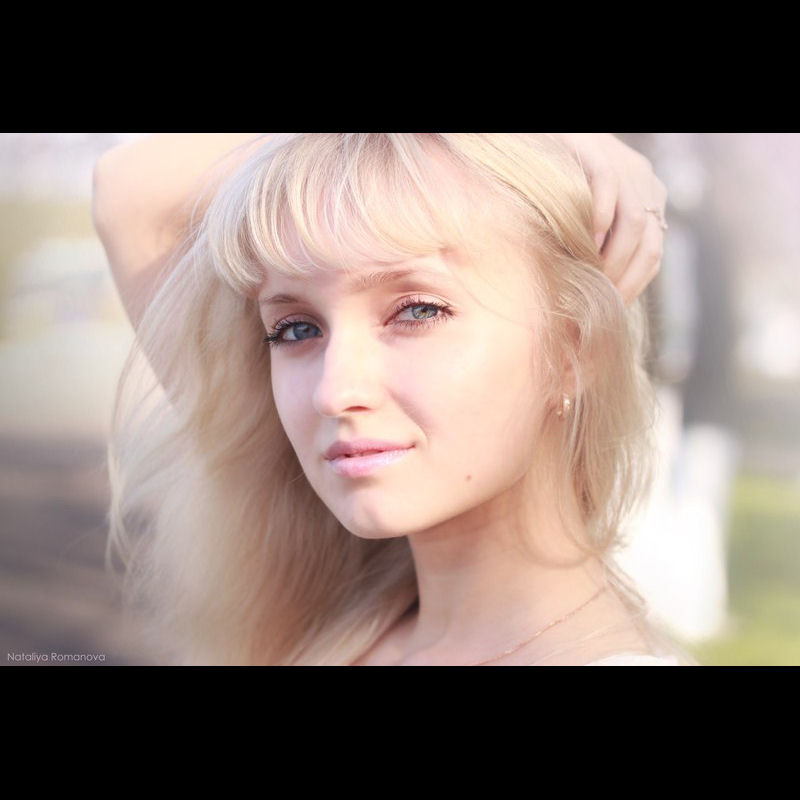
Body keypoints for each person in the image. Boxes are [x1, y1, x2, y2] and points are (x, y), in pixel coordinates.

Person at [92, 133, 696, 666]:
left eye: (417, 311)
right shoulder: (323, 613)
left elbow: (131, 193)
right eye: (297, 329)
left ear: (573, 351)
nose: (334, 391)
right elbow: (128, 190)